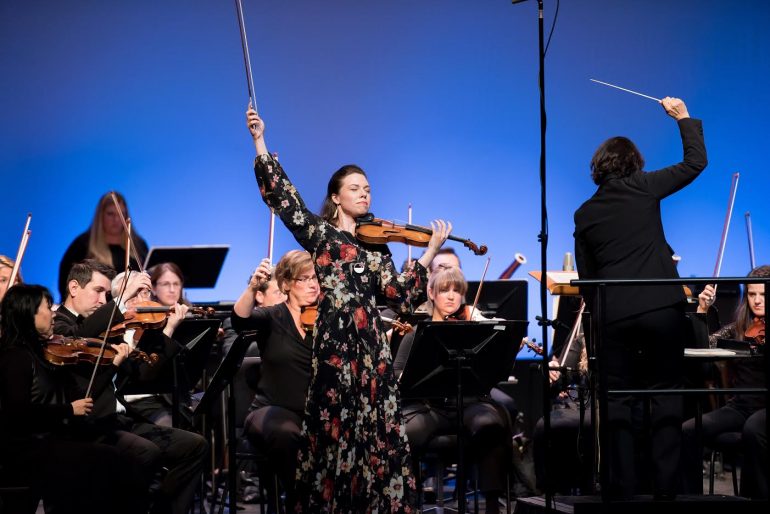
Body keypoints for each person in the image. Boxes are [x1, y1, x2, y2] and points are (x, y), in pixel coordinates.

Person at [247, 106, 451, 512]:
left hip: (371, 350)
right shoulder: (322, 236)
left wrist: (428, 254)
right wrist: (260, 140)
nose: (364, 193)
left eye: (368, 188)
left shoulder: (378, 246)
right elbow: (283, 199)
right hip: (336, 346)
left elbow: (400, 295)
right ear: (336, 197)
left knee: (378, 434)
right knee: (334, 433)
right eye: (355, 188)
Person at [573, 97, 707, 499]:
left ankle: (623, 495)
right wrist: (682, 118)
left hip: (616, 318)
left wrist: (602, 322)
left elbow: (588, 281)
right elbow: (695, 163)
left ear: (599, 167)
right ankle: (666, 493)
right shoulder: (645, 188)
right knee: (666, 398)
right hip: (662, 311)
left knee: (618, 406)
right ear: (634, 163)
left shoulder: (585, 213)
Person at [54, 260, 207, 514]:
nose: (103, 300)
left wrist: (166, 330)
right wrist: (121, 298)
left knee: (195, 445)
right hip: (90, 425)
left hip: (120, 419)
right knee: (146, 453)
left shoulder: (106, 326)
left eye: (107, 294)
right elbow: (79, 336)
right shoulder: (59, 324)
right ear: (73, 288)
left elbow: (143, 374)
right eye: (98, 291)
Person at [0, 284, 146, 514]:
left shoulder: (45, 353)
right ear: (29, 313)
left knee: (126, 466)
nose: (54, 313)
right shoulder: (15, 357)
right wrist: (67, 410)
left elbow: (83, 398)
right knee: (117, 466)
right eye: (48, 307)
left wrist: (111, 366)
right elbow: (16, 414)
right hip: (28, 450)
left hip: (58, 441)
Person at [393, 267, 510, 513]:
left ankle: (492, 505)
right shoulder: (415, 334)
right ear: (431, 293)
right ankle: (407, 502)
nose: (451, 296)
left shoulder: (475, 333)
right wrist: (405, 376)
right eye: (444, 290)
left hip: (468, 404)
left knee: (492, 423)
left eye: (457, 291)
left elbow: (490, 370)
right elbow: (396, 376)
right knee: (405, 433)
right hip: (429, 408)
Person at [230, 250, 319, 499]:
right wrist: (252, 288)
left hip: (312, 414)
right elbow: (240, 320)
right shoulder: (273, 316)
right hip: (269, 410)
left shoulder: (324, 320)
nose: (313, 284)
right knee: (288, 434)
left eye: (315, 278)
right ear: (287, 284)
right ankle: (301, 500)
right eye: (304, 279)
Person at [681, 265, 768, 494]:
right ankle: (691, 499)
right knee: (689, 429)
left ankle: (756, 499)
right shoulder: (740, 327)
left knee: (753, 430)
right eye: (751, 294)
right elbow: (703, 345)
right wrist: (702, 309)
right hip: (741, 407)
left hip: (764, 408)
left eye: (763, 294)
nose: (757, 301)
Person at [58, 191, 148, 302]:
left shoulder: (139, 245)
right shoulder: (82, 245)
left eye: (121, 214)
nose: (116, 220)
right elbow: (66, 282)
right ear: (101, 215)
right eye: (110, 214)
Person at [221, 264, 287, 356]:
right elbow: (233, 355)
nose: (285, 298)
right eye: (279, 293)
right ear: (259, 296)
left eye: (287, 293)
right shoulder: (233, 323)